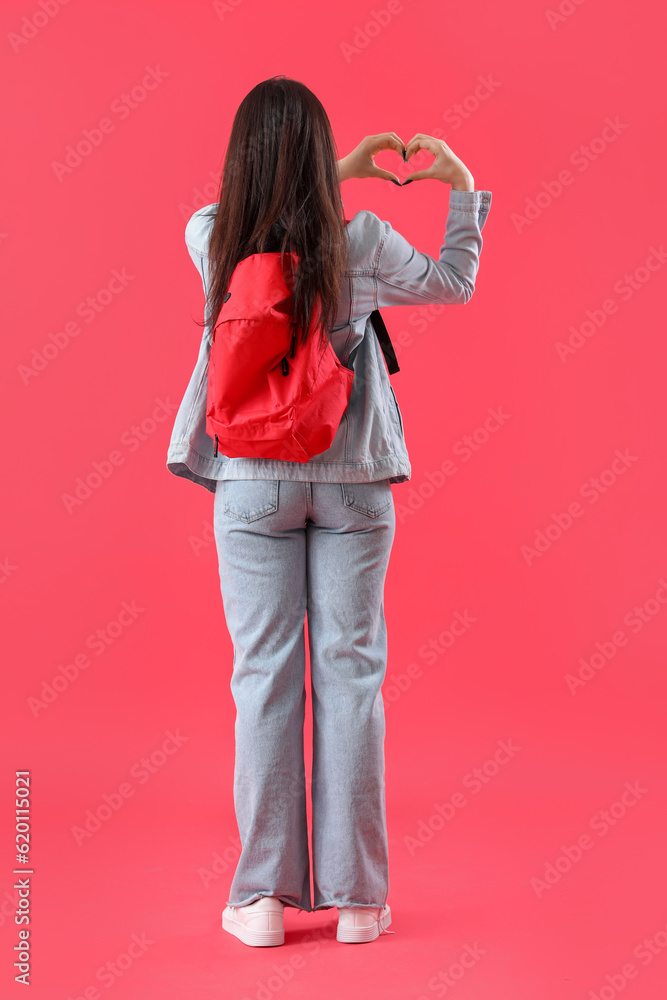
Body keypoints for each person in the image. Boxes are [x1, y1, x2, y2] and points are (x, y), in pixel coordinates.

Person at [166, 76, 492, 947]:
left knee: (263, 679)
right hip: (350, 483)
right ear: (321, 158)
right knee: (351, 678)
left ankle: (263, 898)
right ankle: (356, 901)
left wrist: (314, 174)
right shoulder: (365, 245)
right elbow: (455, 282)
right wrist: (459, 185)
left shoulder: (215, 240)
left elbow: (225, 210)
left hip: (248, 480)